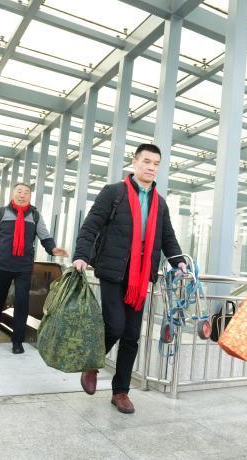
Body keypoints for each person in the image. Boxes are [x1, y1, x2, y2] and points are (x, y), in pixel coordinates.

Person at [72, 143, 187, 414]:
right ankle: (92, 362)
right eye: (146, 161)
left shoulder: (160, 203)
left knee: (132, 335)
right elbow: (91, 225)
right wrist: (81, 255)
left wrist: (179, 260)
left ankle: (120, 392)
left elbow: (167, 237)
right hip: (113, 271)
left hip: (141, 276)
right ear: (134, 162)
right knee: (115, 326)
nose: (151, 167)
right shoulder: (114, 193)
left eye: (156, 163)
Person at [0, 183, 67, 354]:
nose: (22, 195)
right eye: (19, 191)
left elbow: (44, 236)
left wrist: (53, 249)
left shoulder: (34, 215)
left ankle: (17, 341)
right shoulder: (1, 212)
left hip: (23, 266)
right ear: (13, 194)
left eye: (26, 192)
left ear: (30, 196)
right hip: (1, 264)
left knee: (22, 303)